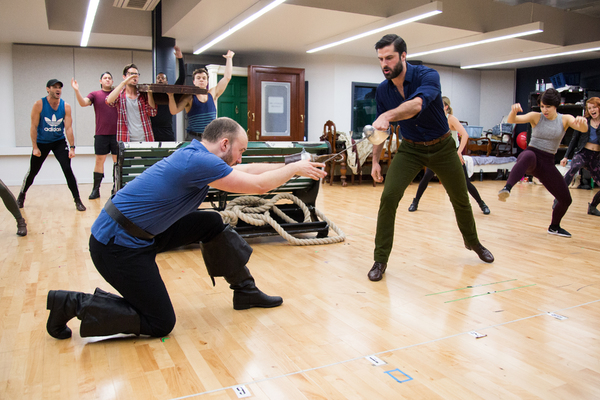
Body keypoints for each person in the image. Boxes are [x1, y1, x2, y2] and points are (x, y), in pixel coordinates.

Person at [45, 117, 327, 340]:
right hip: (116, 245)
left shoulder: (197, 153)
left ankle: (245, 291)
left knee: (211, 222)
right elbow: (258, 185)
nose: (240, 158)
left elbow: (249, 170)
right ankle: (71, 304)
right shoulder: (198, 161)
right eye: (240, 151)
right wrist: (294, 170)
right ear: (225, 144)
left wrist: (292, 164)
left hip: (144, 234)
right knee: (160, 323)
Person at [367, 34, 494, 283]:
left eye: (389, 58)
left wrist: (388, 116)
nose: (385, 64)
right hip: (411, 149)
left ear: (403, 56)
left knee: (460, 198)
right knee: (389, 198)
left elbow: (415, 105)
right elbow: (381, 131)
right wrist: (374, 161)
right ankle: (380, 260)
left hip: (443, 147)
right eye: (381, 59)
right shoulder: (383, 90)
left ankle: (474, 243)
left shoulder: (428, 76)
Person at [498, 88, 588, 238]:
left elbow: (583, 129)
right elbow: (512, 120)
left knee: (566, 200)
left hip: (547, 163)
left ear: (556, 106)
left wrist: (583, 122)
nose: (544, 110)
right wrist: (513, 111)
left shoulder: (564, 119)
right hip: (533, 156)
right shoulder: (536, 116)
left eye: (548, 107)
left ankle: (554, 227)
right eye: (542, 106)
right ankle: (507, 188)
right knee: (527, 155)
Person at [407, 96, 490, 215]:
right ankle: (415, 202)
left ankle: (482, 204)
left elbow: (465, 135)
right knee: (426, 177)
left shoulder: (451, 119)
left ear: (446, 107)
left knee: (465, 182)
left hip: (451, 154)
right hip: (438, 153)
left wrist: (459, 152)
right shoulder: (434, 119)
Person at [17, 79, 86, 212]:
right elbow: (33, 127)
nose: (58, 89)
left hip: (59, 142)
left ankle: (77, 200)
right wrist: (34, 147)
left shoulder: (65, 106)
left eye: (59, 87)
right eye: (54, 87)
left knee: (67, 169)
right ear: (48, 89)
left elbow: (69, 128)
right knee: (33, 171)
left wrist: (72, 147)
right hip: (42, 142)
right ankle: (21, 195)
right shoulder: (39, 104)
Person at [71, 72, 118, 199]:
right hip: (101, 134)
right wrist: (77, 91)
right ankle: (96, 189)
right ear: (100, 81)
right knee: (99, 161)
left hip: (117, 134)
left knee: (117, 162)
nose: (107, 80)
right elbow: (83, 103)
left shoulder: (118, 94)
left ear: (112, 82)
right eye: (105, 78)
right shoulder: (95, 94)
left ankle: (116, 189)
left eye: (109, 78)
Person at [168, 50, 234, 141]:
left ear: (207, 81)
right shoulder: (189, 97)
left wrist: (229, 58)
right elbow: (174, 111)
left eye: (204, 78)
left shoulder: (213, 93)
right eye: (198, 78)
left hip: (211, 137)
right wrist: (170, 96)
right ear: (194, 82)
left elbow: (227, 77)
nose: (201, 80)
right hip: (193, 137)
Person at [559, 97, 600, 216]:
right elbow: (574, 140)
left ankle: (592, 207)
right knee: (573, 169)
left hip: (596, 158)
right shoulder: (584, 122)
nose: (592, 110)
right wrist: (566, 156)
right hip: (583, 153)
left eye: (594, 107)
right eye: (589, 108)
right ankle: (559, 198)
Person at [106, 63, 157, 142]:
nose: (134, 77)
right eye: (131, 74)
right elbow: (109, 101)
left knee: (151, 155)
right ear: (124, 76)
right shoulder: (120, 94)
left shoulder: (143, 94)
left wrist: (149, 93)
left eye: (136, 74)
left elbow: (152, 112)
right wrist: (123, 83)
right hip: (126, 137)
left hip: (145, 136)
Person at [151, 46, 186, 142]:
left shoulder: (171, 93)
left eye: (163, 78)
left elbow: (182, 77)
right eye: (158, 78)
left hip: (167, 130)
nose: (160, 80)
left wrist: (180, 59)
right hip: (152, 130)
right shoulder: (151, 94)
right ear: (156, 81)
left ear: (167, 81)